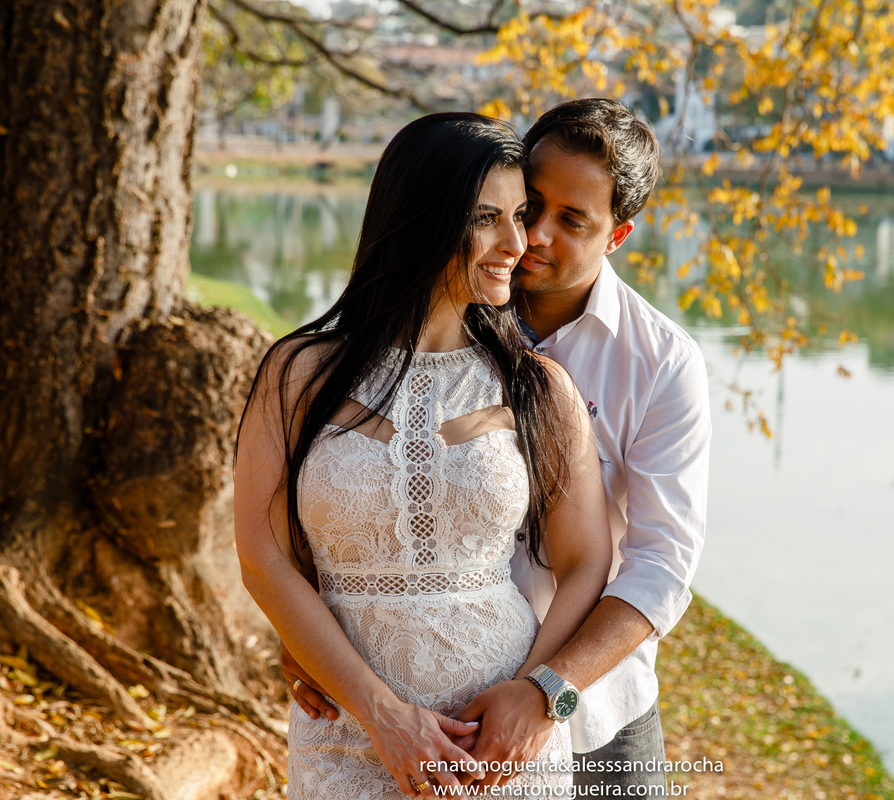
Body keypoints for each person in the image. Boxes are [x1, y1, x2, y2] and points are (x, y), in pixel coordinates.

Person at [289, 98, 710, 792]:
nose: (534, 236)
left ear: (618, 235)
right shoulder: (435, 309)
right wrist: (308, 629)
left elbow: (663, 568)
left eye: (571, 222)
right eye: (528, 205)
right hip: (414, 704)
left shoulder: (661, 362)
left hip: (593, 706)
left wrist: (549, 692)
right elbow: (338, 484)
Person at [235, 112, 613, 799]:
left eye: (519, 215)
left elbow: (588, 561)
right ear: (422, 220)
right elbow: (262, 555)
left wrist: (535, 695)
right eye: (486, 218)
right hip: (346, 732)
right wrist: (380, 714)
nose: (516, 242)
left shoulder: (538, 388)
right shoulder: (296, 374)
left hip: (496, 743)